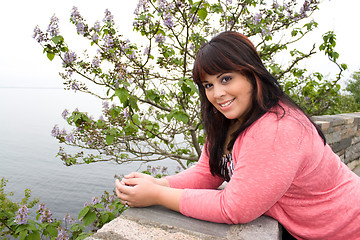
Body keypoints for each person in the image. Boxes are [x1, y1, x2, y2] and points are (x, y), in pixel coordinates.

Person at [115, 31, 360, 240]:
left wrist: (157, 195)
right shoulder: (228, 121)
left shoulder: (277, 127)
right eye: (208, 85)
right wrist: (157, 183)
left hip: (347, 229)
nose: (217, 93)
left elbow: (234, 208)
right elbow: (208, 172)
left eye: (226, 78)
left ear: (252, 74)